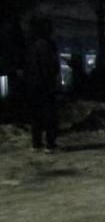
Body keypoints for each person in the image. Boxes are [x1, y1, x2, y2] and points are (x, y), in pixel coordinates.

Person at [24, 18, 60, 152]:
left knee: (36, 115)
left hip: (33, 85)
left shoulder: (31, 45)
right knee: (49, 114)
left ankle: (36, 142)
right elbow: (49, 67)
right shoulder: (46, 45)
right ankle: (50, 144)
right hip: (45, 85)